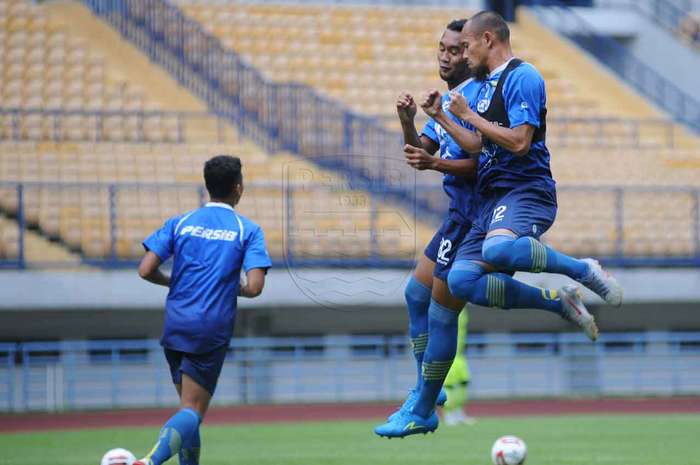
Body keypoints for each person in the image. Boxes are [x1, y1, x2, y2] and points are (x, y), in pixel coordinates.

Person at [442, 11, 623, 341]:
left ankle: (584, 270)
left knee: (497, 251)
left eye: (466, 47)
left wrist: (468, 115)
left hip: (526, 188)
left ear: (488, 39)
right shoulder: (481, 89)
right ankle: (558, 302)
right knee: (461, 281)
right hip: (492, 198)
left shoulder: (522, 76)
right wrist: (441, 116)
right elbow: (477, 145)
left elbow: (520, 142)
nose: (463, 55)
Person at [374, 19, 482, 439]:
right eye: (441, 47)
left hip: (478, 215)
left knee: (440, 310)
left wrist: (435, 161)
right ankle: (427, 390)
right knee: (416, 293)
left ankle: (424, 401)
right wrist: (406, 120)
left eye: (455, 50)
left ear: (472, 53)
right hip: (459, 213)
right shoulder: (451, 98)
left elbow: (479, 162)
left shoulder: (479, 99)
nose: (445, 55)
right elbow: (422, 153)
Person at [133, 155, 271, 465]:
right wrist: (232, 287)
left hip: (175, 324)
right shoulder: (246, 229)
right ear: (239, 188)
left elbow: (145, 270)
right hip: (210, 328)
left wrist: (176, 283)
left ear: (207, 186)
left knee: (188, 409)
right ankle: (148, 462)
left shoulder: (180, 222)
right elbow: (255, 286)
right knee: (193, 412)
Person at [441, 307, 475, 426]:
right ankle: (448, 414)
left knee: (464, 382)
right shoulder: (441, 309)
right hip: (447, 355)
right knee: (448, 386)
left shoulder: (462, 309)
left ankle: (459, 412)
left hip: (460, 355)